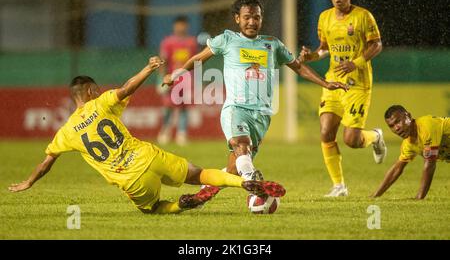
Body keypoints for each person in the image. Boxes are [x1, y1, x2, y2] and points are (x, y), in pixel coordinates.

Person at [8, 56, 286, 214]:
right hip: (149, 156)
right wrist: (148, 68)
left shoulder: (65, 132)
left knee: (152, 210)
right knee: (198, 174)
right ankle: (243, 183)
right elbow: (127, 88)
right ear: (92, 91)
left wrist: (28, 182)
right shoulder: (101, 102)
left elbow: (47, 162)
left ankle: (180, 205)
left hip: (132, 180)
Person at [162, 0, 347, 182]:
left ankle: (202, 195)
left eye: (256, 17)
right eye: (247, 17)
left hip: (262, 114)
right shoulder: (227, 39)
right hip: (236, 108)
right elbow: (198, 58)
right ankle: (253, 182)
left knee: (234, 168)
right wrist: (175, 75)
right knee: (241, 143)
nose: (252, 22)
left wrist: (325, 83)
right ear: (237, 19)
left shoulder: (272, 44)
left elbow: (298, 67)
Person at [299, 0, 387, 197]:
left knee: (352, 141)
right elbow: (324, 48)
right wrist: (311, 56)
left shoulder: (363, 16)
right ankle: (339, 186)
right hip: (333, 83)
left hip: (357, 85)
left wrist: (355, 63)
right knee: (326, 132)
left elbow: (377, 45)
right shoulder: (324, 17)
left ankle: (375, 136)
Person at [371, 105, 450, 199]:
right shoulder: (408, 144)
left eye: (398, 121)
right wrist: (375, 196)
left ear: (408, 116)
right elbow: (396, 169)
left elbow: (430, 164)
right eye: (391, 126)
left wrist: (419, 198)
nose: (396, 128)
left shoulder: (426, 126)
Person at [157, 16, 198, 146]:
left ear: (187, 26)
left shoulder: (191, 42)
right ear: (175, 26)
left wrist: (196, 81)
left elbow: (196, 62)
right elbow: (163, 60)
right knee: (168, 107)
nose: (181, 27)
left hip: (186, 80)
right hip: (171, 79)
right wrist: (162, 78)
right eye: (179, 25)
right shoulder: (168, 42)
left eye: (183, 25)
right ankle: (165, 132)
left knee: (184, 107)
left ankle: (182, 133)